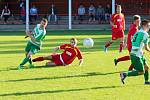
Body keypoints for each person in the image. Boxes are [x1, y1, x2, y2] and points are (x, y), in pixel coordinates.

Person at [120, 19, 150, 85]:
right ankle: (124, 74)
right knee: (141, 71)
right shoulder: (145, 34)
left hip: (136, 53)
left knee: (146, 67)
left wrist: (140, 50)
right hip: (137, 55)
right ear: (144, 26)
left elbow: (134, 42)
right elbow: (146, 47)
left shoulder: (137, 32)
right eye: (148, 26)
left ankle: (146, 81)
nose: (149, 27)